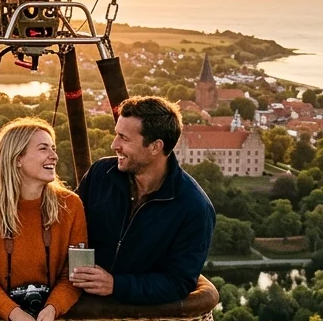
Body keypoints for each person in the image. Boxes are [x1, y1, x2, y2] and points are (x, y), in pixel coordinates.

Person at [70, 96, 216, 305]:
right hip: (82, 308)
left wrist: (116, 285)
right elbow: (68, 227)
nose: (114, 145)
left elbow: (178, 282)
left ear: (155, 146)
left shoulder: (194, 208)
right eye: (116, 135)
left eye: (124, 138)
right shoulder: (101, 173)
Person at [0, 118, 88, 321]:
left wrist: (53, 308)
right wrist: (14, 313)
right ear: (18, 158)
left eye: (53, 148)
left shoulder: (70, 205)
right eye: (43, 149)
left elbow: (75, 274)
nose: (54, 156)